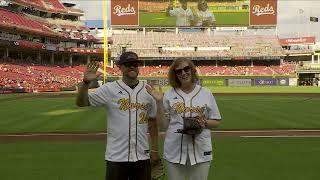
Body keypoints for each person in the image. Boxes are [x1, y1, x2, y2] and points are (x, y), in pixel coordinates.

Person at [76, 51, 161, 180]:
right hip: (116, 157)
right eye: (127, 64)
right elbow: (81, 103)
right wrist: (85, 83)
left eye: (135, 64)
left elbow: (153, 123)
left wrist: (155, 151)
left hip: (142, 156)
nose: (132, 66)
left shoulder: (148, 91)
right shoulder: (109, 89)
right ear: (120, 67)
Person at [149, 57, 222, 180]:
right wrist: (159, 102)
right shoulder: (169, 95)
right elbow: (163, 126)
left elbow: (216, 122)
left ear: (192, 70)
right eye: (179, 71)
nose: (183, 73)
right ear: (175, 75)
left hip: (200, 150)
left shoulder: (206, 93)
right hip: (174, 150)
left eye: (186, 69)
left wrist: (204, 122)